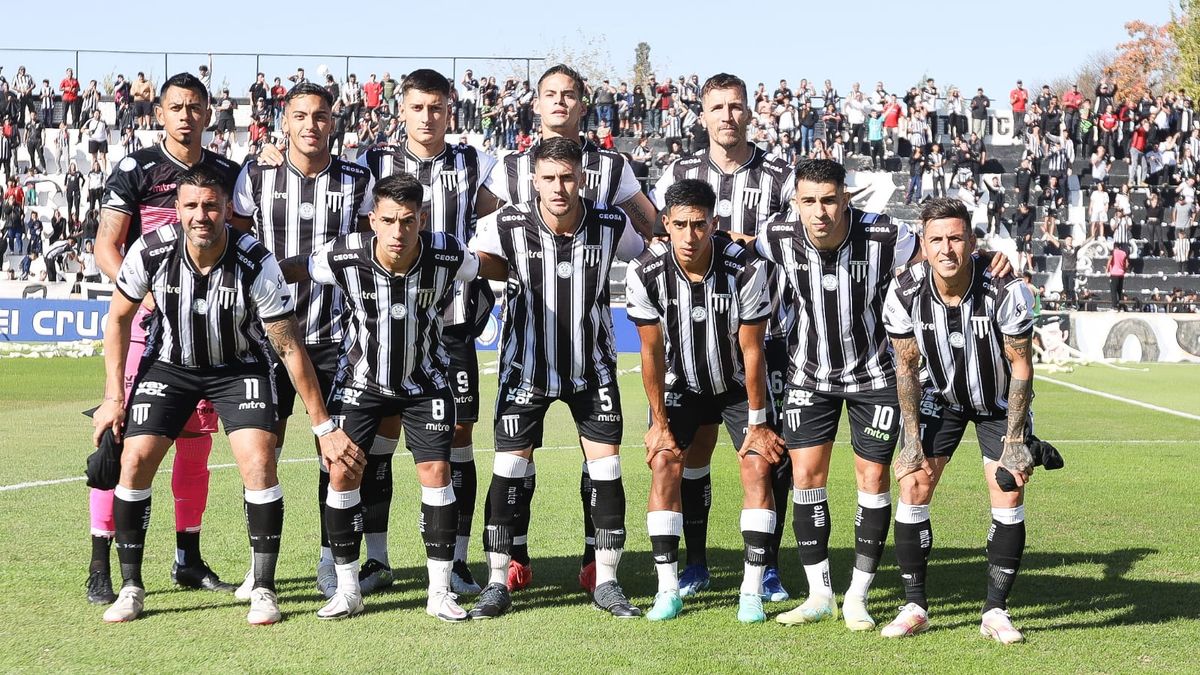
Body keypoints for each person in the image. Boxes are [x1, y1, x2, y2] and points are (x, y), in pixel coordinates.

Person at [90, 165, 362, 625]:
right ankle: (132, 587)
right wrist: (113, 396)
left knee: (259, 460)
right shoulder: (150, 251)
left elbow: (288, 345)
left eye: (211, 206)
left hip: (238, 368)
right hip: (170, 368)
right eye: (192, 206)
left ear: (227, 210)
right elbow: (117, 320)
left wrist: (323, 424)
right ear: (176, 211)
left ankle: (263, 588)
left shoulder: (255, 260)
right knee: (134, 459)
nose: (202, 215)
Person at [484, 64, 658, 593]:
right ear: (536, 104)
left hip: (591, 355)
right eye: (550, 95)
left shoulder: (611, 174)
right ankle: (508, 561)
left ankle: (596, 565)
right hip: (527, 355)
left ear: (584, 104)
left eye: (569, 95)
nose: (560, 103)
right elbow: (480, 248)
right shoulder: (508, 172)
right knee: (514, 462)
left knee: (600, 463)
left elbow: (648, 236)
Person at [277, 174, 479, 621]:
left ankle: (440, 592)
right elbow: (297, 268)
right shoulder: (344, 254)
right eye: (388, 220)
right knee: (343, 471)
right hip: (361, 382)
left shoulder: (448, 253)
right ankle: (347, 590)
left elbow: (481, 272)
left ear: (421, 220)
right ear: (373, 220)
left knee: (436, 471)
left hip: (425, 383)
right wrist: (258, 274)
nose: (398, 231)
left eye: (408, 221)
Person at [87, 73, 243, 606]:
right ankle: (101, 561)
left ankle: (187, 557)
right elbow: (106, 244)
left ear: (208, 114)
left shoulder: (225, 172)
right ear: (159, 113)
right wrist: (144, 290)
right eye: (175, 106)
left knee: (196, 446)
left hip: (204, 330)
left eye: (195, 107)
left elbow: (241, 241)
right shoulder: (135, 168)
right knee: (122, 438)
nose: (185, 115)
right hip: (147, 327)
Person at [353, 69, 498, 594]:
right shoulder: (373, 163)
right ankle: (377, 559)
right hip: (388, 322)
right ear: (402, 110)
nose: (428, 117)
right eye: (418, 107)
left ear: (450, 109)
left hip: (453, 323)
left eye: (437, 107)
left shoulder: (472, 161)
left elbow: (507, 211)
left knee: (457, 440)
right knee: (380, 442)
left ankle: (456, 562)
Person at [652, 72, 795, 603]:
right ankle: (694, 563)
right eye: (718, 107)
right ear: (702, 114)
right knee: (692, 451)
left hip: (767, 332)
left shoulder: (780, 176)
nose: (727, 116)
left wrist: (746, 243)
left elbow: (802, 239)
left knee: (766, 450)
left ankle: (770, 567)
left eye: (736, 107)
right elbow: (661, 236)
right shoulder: (681, 171)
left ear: (749, 113)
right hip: (692, 337)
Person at [754, 159, 913, 630]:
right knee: (805, 478)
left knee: (872, 478)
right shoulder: (778, 234)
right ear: (795, 203)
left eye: (828, 199)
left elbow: (939, 252)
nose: (819, 211)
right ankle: (819, 593)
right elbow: (741, 248)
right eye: (808, 201)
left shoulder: (886, 236)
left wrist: (990, 259)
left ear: (846, 198)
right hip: (809, 376)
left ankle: (858, 596)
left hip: (874, 377)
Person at [231, 81, 374, 599]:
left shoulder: (359, 179)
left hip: (338, 338)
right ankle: (260, 564)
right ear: (283, 122)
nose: (310, 125)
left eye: (320, 116)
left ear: (332, 123)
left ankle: (327, 559)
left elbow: (366, 251)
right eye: (300, 116)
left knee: (334, 454)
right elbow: (237, 243)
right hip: (266, 338)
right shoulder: (257, 174)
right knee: (261, 453)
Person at [626, 179, 785, 623]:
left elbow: (752, 350)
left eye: (699, 225)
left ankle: (752, 591)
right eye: (680, 225)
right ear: (666, 224)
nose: (690, 236)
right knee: (664, 463)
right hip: (683, 383)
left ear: (714, 224)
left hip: (736, 384)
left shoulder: (747, 270)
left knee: (757, 463)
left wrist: (757, 424)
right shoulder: (645, 272)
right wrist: (658, 423)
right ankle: (668, 589)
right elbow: (651, 352)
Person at [881, 197, 1036, 644]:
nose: (946, 248)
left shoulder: (1006, 290)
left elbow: (1021, 366)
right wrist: (911, 438)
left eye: (955, 238)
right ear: (923, 245)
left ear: (971, 241)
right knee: (912, 481)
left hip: (997, 401)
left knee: (1007, 485)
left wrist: (1015, 438)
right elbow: (906, 368)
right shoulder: (904, 291)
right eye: (936, 240)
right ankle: (914, 605)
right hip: (941, 398)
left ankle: (995, 611)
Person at [1106, 244, 1128, 310]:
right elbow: (1127, 264)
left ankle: (1114, 306)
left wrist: (1107, 269)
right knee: (1120, 291)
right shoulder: (1123, 253)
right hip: (1121, 274)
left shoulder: (1113, 252)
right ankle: (1121, 306)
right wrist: (1124, 270)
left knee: (1113, 290)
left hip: (1114, 273)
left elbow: (1110, 260)